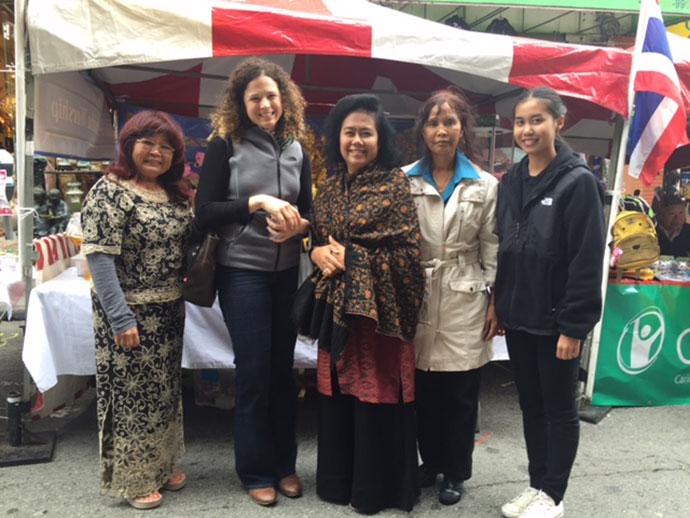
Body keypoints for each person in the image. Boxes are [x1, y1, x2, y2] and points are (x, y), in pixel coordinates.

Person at [297, 94, 425, 514]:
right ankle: (338, 483)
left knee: (376, 394)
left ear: (379, 139)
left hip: (379, 319)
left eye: (365, 133)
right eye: (348, 132)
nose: (356, 141)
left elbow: (408, 256)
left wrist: (352, 258)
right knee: (337, 393)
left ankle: (376, 490)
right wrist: (317, 251)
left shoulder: (394, 185)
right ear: (337, 137)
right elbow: (318, 238)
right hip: (336, 314)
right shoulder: (330, 186)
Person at [195, 57, 312, 507]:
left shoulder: (297, 149)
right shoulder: (225, 144)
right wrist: (256, 202)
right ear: (240, 104)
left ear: (284, 100)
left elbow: (309, 210)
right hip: (241, 272)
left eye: (272, 96)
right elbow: (205, 212)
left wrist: (300, 225)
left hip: (286, 274)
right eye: (255, 98)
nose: (265, 105)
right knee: (255, 372)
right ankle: (255, 470)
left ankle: (284, 466)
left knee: (284, 372)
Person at [494, 87, 606, 518]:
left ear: (559, 122)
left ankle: (553, 496)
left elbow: (586, 258)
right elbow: (506, 248)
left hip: (558, 322)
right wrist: (500, 305)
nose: (527, 129)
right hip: (520, 318)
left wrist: (574, 327)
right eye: (521, 122)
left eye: (537, 120)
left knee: (559, 411)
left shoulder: (578, 182)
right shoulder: (512, 181)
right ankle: (536, 484)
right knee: (531, 407)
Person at [81, 110, 192, 510]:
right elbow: (99, 258)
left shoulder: (173, 193)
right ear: (129, 145)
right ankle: (133, 479)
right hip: (128, 314)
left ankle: (161, 465)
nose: (156, 152)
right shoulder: (110, 191)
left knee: (163, 394)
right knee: (130, 399)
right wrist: (120, 317)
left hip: (169, 312)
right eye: (148, 142)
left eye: (166, 146)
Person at [403, 88, 499, 506]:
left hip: (466, 294)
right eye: (433, 122)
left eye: (449, 122)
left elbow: (492, 245)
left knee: (460, 393)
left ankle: (456, 471)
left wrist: (496, 300)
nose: (441, 130)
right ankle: (431, 461)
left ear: (463, 128)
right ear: (423, 130)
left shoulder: (485, 184)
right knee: (423, 388)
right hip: (419, 292)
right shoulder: (404, 179)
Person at [653, 189, 690, 257]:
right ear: (659, 215)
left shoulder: (688, 231)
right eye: (671, 214)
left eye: (681, 213)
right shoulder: (650, 232)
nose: (677, 218)